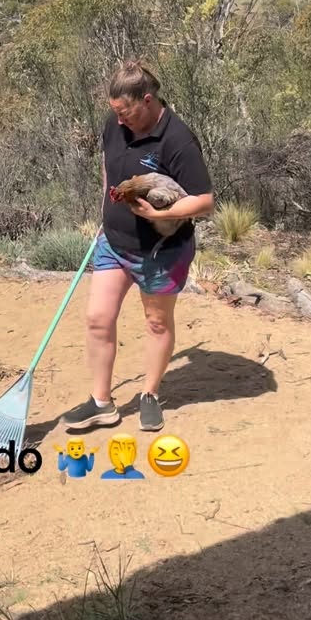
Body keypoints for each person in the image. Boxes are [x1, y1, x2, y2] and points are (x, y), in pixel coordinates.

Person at [61, 59, 214, 434]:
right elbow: (108, 167)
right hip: (113, 243)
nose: (119, 121)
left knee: (156, 322)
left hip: (160, 251)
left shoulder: (177, 139)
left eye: (125, 113)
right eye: (114, 113)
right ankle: (101, 404)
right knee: (98, 318)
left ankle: (149, 394)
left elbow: (205, 201)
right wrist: (104, 213)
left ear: (147, 101)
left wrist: (156, 213)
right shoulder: (114, 124)